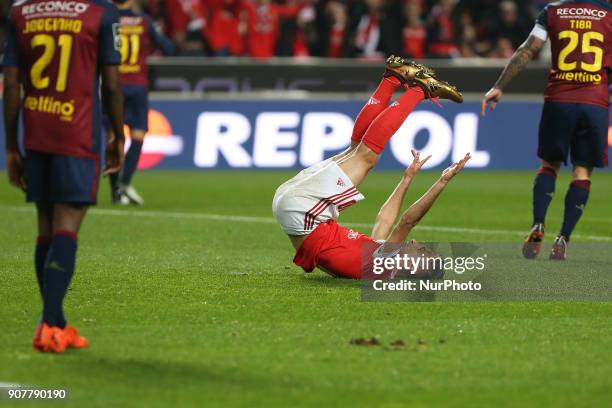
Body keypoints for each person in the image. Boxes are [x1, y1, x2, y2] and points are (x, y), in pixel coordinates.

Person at [272, 56, 469, 279]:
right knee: (356, 150)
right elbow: (384, 220)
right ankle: (393, 77)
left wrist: (442, 182)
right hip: (297, 211)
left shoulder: (388, 267)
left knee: (366, 158)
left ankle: (421, 90)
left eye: (422, 251)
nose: (416, 242)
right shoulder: (380, 263)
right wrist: (406, 179)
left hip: (305, 213)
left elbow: (407, 221)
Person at [3, 0, 125, 352]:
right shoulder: (100, 12)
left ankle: (53, 323)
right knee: (66, 226)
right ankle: (52, 324)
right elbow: (112, 85)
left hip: (37, 130)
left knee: (45, 228)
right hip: (78, 132)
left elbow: (11, 87)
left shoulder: (20, 12)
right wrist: (118, 134)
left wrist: (12, 146)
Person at [481, 0, 611, 260]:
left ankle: (538, 223)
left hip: (558, 100)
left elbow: (528, 49)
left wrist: (499, 85)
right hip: (594, 102)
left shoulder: (553, 11)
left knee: (549, 165)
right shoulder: (608, 14)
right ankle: (563, 238)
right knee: (582, 171)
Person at [109, 0, 176, 205]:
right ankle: (125, 183)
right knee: (138, 136)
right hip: (137, 86)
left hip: (114, 86)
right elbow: (168, 48)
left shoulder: (107, 19)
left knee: (114, 138)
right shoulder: (144, 21)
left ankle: (115, 193)